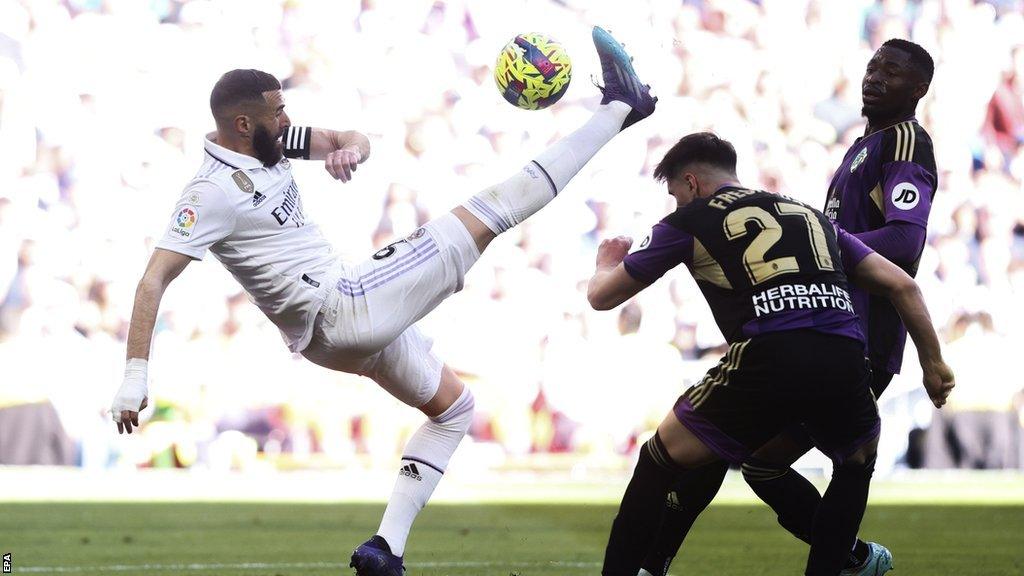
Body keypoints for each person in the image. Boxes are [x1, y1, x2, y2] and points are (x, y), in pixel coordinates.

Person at [108, 28, 656, 576]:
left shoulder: (268, 142)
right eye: (278, 111)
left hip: (330, 339)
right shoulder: (211, 192)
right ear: (243, 124)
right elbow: (152, 280)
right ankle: (618, 109)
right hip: (341, 304)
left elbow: (347, 136)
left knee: (454, 410)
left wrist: (350, 149)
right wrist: (135, 376)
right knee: (491, 212)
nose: (287, 118)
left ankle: (385, 549)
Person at [587, 132, 953, 576]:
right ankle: (847, 565)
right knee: (854, 463)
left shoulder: (689, 220)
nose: (676, 204)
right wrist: (933, 363)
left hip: (769, 354)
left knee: (661, 458)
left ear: (692, 182)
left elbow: (603, 297)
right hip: (844, 355)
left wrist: (605, 261)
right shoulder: (810, 216)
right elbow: (902, 284)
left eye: (675, 195)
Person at [642, 38, 939, 576]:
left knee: (723, 441)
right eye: (874, 66)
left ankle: (651, 562)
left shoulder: (906, 143)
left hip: (856, 338)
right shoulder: (864, 146)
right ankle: (849, 560)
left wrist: (820, 243)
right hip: (824, 330)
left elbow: (906, 241)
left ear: (919, 89)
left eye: (893, 72)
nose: (876, 77)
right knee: (762, 462)